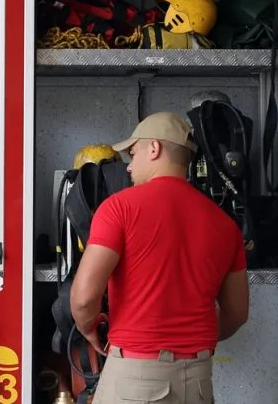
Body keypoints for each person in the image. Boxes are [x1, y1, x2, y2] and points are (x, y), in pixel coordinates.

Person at [69, 111, 249, 404]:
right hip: (198, 381)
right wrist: (185, 339)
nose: (128, 167)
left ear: (155, 148)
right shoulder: (225, 223)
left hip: (136, 380)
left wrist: (88, 328)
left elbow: (83, 299)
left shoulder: (119, 208)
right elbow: (237, 312)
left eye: (133, 152)